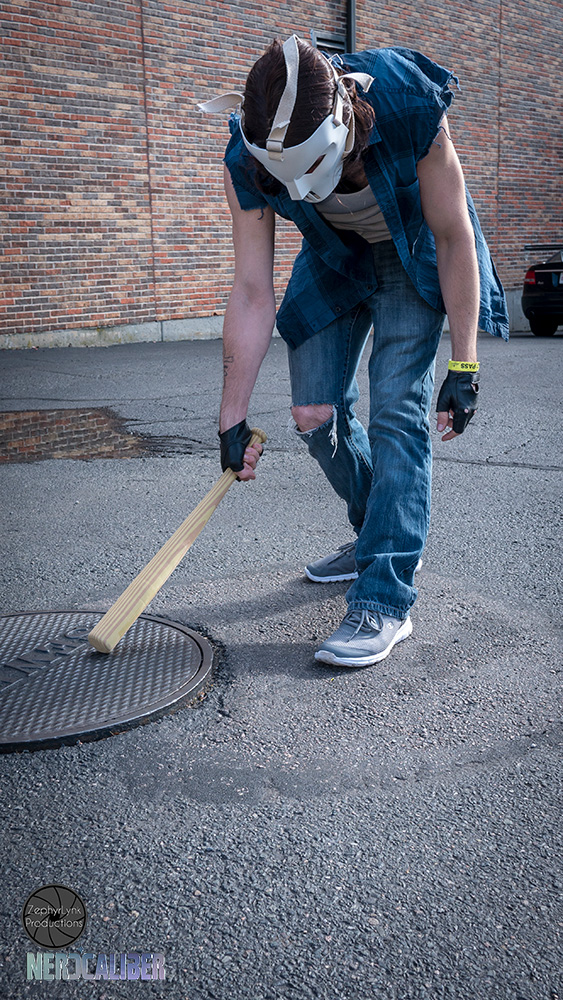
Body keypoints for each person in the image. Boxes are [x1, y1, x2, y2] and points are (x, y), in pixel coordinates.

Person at [199, 35, 509, 668]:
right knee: (314, 415)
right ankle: (377, 535)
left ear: (343, 125)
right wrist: (231, 417)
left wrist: (465, 363)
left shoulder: (405, 101)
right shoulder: (246, 153)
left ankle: (385, 597)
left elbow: (454, 235)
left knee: (397, 412)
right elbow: (252, 290)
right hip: (334, 257)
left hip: (413, 247)